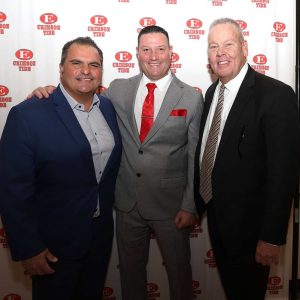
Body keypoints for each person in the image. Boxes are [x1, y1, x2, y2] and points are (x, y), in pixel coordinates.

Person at [27, 25, 204, 300]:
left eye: (160, 49)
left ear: (171, 53)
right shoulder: (118, 90)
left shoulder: (191, 96)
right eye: (146, 49)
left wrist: (190, 204)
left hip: (172, 206)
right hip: (126, 203)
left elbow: (195, 155)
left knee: (180, 274)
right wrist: (50, 91)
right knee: (130, 273)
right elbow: (79, 96)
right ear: (137, 53)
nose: (153, 56)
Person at [0, 36, 122, 300]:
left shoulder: (108, 108)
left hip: (98, 238)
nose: (86, 71)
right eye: (76, 63)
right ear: (61, 68)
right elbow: (11, 188)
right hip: (52, 245)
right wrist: (28, 247)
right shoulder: (29, 114)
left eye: (94, 64)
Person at [194, 18, 300, 300]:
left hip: (253, 233)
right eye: (214, 46)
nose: (221, 53)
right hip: (217, 221)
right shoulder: (211, 92)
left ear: (244, 47)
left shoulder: (275, 95)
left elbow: (284, 174)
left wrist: (271, 235)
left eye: (228, 44)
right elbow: (211, 151)